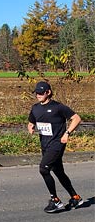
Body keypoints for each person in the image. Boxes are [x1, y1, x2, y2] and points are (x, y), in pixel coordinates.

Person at [27, 81, 84, 213]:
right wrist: (30, 127)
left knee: (44, 169)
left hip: (57, 143)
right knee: (58, 171)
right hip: (45, 145)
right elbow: (31, 122)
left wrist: (67, 133)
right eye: (37, 93)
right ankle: (75, 197)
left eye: (41, 93)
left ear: (48, 92)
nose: (38, 95)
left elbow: (76, 118)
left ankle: (55, 200)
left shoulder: (58, 107)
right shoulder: (35, 108)